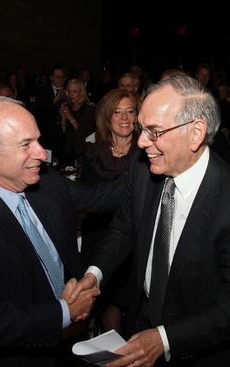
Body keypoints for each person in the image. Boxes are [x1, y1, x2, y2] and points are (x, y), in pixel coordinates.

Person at [68, 76, 230, 366]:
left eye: (154, 131)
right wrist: (94, 275)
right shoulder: (142, 171)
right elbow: (124, 229)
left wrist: (165, 339)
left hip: (200, 345)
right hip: (142, 322)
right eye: (142, 128)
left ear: (196, 133)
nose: (140, 141)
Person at [0, 95, 125, 366]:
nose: (42, 154)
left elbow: (99, 197)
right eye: (25, 145)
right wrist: (64, 311)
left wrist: (158, 161)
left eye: (38, 140)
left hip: (67, 347)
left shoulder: (45, 182)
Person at [79, 89, 142, 335]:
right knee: (107, 297)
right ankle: (115, 352)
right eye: (117, 112)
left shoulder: (147, 153)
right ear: (107, 117)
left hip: (134, 236)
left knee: (135, 297)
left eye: (130, 111)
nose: (124, 118)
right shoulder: (93, 154)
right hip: (100, 233)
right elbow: (88, 199)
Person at [58, 78, 96, 168]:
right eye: (70, 91)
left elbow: (84, 133)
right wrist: (63, 118)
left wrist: (70, 117)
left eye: (74, 91)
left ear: (81, 92)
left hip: (83, 151)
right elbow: (63, 134)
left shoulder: (89, 110)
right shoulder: (68, 108)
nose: (71, 94)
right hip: (68, 150)